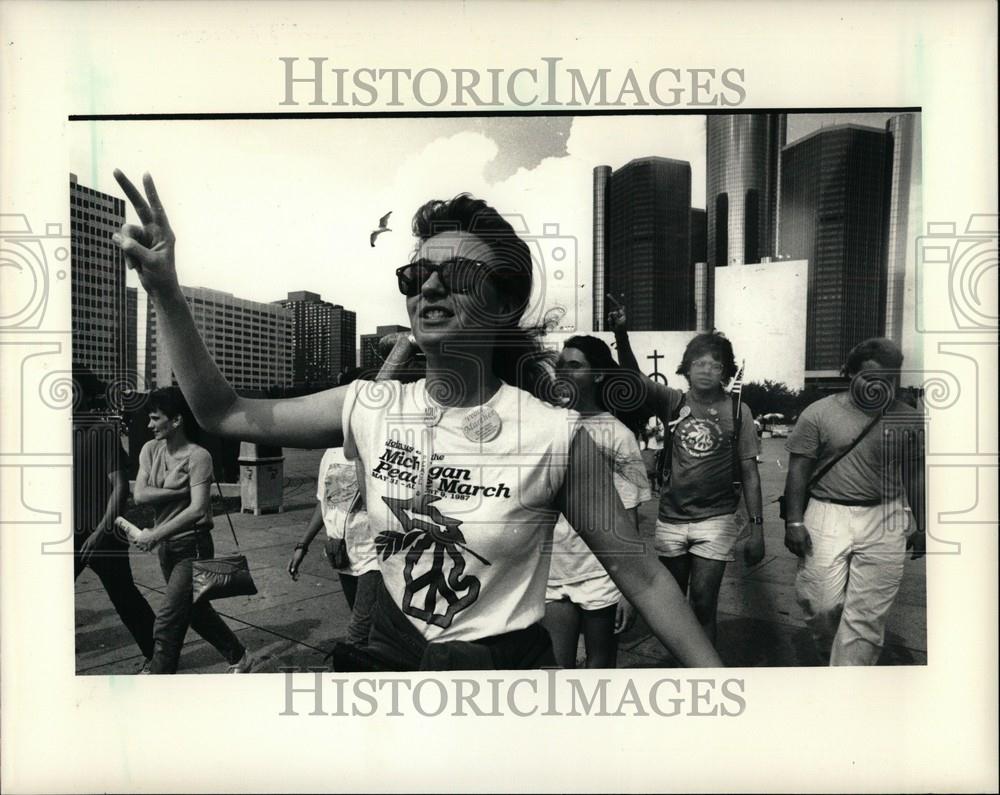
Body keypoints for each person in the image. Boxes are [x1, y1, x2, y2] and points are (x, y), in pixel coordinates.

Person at [112, 170, 721, 670]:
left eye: (455, 276)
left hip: (499, 676)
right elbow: (224, 411)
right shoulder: (369, 406)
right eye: (415, 275)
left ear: (505, 303)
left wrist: (729, 697)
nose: (428, 286)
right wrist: (164, 290)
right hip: (388, 659)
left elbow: (643, 579)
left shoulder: (555, 436)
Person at [610, 308, 765, 645]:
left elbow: (750, 473)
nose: (706, 369)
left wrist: (758, 529)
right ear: (687, 368)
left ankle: (702, 675)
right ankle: (678, 667)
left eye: (714, 364)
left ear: (725, 370)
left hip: (717, 521)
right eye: (699, 362)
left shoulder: (739, 411)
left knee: (703, 604)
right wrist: (622, 334)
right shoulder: (673, 402)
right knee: (671, 604)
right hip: (671, 520)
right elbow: (634, 379)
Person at [783, 337, 925, 666]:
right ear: (850, 374)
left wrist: (924, 525)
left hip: (885, 516)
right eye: (869, 376)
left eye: (887, 378)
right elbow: (798, 472)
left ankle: (847, 686)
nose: (878, 385)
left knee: (866, 618)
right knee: (820, 604)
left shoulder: (907, 418)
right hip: (826, 512)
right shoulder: (818, 413)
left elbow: (915, 474)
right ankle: (836, 659)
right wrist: (794, 521)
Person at [287, 349, 420, 648]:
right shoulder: (331, 451)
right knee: (367, 626)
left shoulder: (383, 447)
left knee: (357, 632)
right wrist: (302, 545)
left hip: (374, 554)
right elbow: (324, 502)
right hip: (342, 552)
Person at [131, 387, 257, 674]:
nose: (149, 425)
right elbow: (139, 495)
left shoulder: (199, 457)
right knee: (196, 613)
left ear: (176, 421)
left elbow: (198, 510)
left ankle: (159, 676)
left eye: (154, 418)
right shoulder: (150, 450)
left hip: (193, 545)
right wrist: (179, 491)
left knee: (168, 618)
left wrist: (155, 533)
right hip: (167, 547)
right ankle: (240, 656)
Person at [543, 335, 651, 668]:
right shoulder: (545, 426)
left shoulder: (618, 435)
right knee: (555, 672)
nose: (564, 372)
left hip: (601, 573)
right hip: (552, 572)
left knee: (600, 670)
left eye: (575, 366)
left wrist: (627, 591)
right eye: (560, 365)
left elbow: (629, 519)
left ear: (599, 374)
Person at [72, 369, 156, 672]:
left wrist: (100, 533)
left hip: (102, 532)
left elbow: (120, 487)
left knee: (124, 596)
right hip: (67, 535)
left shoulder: (102, 431)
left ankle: (159, 656)